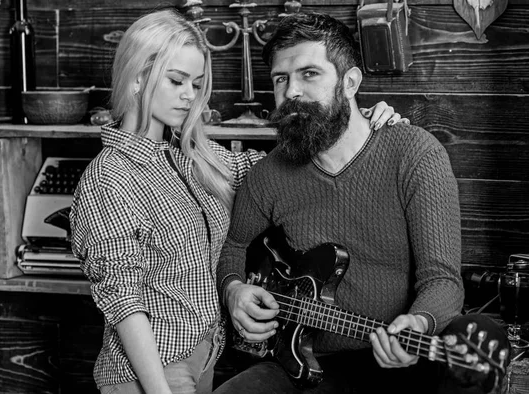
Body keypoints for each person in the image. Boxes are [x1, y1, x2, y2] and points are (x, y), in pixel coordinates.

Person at [70, 8, 403, 394]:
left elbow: (276, 170)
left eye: (196, 84)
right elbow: (124, 302)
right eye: (176, 81)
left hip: (206, 356)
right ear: (136, 79)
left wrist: (357, 124)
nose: (188, 96)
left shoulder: (193, 157)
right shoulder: (108, 178)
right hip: (150, 371)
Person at [215, 11, 468, 394]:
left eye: (309, 74)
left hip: (407, 360)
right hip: (311, 360)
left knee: (480, 332)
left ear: (350, 82)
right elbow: (232, 246)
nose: (291, 92)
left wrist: (417, 324)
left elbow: (443, 280)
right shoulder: (269, 174)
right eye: (281, 79)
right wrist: (233, 289)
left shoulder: (414, 154)